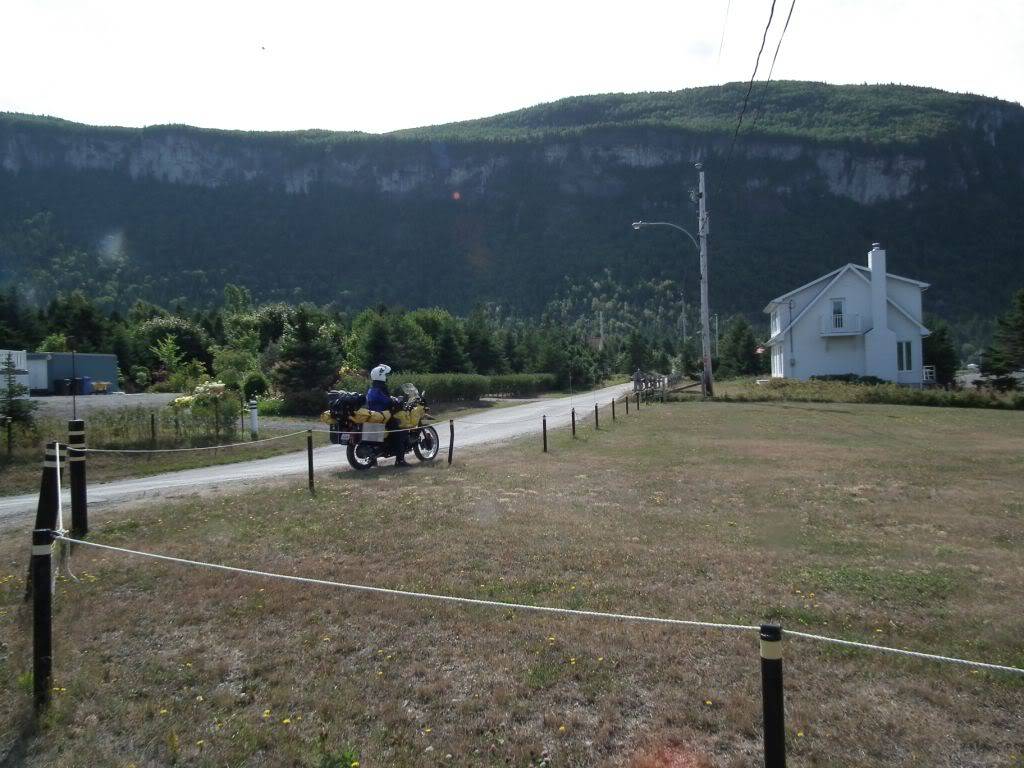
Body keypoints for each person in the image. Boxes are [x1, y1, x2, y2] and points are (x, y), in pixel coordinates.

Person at [366, 364, 408, 466]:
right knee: (400, 433)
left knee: (373, 436)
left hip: (374, 416)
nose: (386, 377)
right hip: (384, 416)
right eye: (385, 375)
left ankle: (373, 460)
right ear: (381, 376)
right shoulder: (381, 388)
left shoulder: (372, 389)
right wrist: (397, 401)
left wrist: (391, 399)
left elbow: (382, 399)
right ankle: (400, 461)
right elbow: (387, 401)